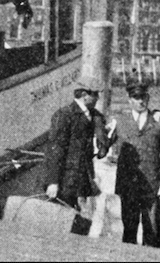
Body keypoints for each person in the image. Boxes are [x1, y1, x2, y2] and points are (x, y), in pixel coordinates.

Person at [110, 81, 160, 247]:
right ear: (129, 100)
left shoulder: (159, 120)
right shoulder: (120, 121)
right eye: (136, 97)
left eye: (143, 97)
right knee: (129, 229)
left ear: (148, 97)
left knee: (151, 229)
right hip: (128, 185)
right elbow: (103, 148)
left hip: (152, 186)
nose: (140, 101)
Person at [42, 77, 112, 219]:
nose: (98, 98)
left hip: (81, 180)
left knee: (75, 219)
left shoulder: (94, 116)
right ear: (84, 95)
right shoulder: (64, 115)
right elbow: (55, 150)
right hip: (65, 181)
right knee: (60, 218)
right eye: (95, 94)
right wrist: (52, 182)